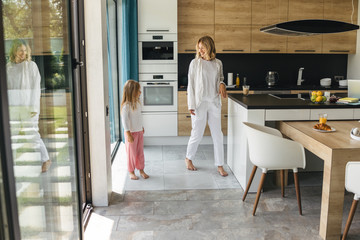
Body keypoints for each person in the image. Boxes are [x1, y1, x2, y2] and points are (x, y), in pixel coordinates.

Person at [185, 36, 228, 177]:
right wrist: (191, 104)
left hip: (214, 102)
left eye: (202, 47)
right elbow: (190, 85)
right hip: (199, 103)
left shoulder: (218, 63)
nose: (200, 50)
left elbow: (221, 78)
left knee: (218, 135)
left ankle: (220, 165)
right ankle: (188, 158)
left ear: (209, 47)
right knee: (197, 132)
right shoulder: (195, 63)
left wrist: (222, 84)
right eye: (198, 47)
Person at [6, 39, 51, 173]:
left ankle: (46, 159)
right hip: (12, 107)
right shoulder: (8, 67)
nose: (22, 53)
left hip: (28, 107)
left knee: (31, 133)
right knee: (11, 134)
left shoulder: (31, 66)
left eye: (25, 51)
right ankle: (10, 164)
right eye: (20, 50)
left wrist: (33, 108)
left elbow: (35, 89)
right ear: (14, 51)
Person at [121, 80, 149, 180]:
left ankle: (141, 169)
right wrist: (128, 134)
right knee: (131, 154)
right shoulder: (126, 106)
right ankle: (131, 171)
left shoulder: (137, 103)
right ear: (132, 92)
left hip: (139, 132)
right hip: (131, 133)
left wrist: (141, 127)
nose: (140, 92)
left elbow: (138, 117)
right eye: (138, 91)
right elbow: (124, 121)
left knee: (140, 152)